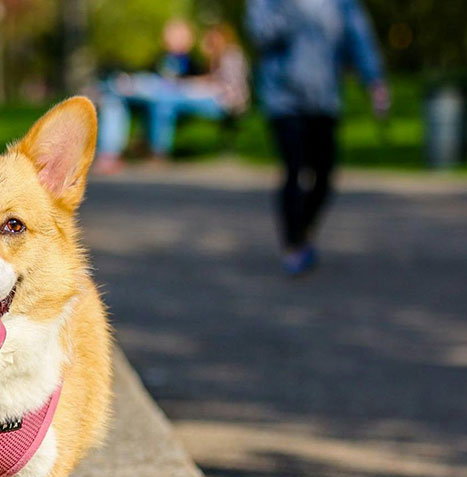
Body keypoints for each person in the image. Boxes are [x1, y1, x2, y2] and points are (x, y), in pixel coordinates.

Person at [247, 0, 390, 275]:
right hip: (283, 98)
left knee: (324, 175)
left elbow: (357, 36)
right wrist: (291, 10)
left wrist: (374, 81)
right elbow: (260, 33)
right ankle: (293, 245)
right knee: (294, 168)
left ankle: (303, 229)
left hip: (325, 98)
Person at [95, 22, 250, 173]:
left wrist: (193, 84)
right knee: (120, 98)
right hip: (179, 95)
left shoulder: (228, 55)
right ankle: (116, 152)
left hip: (225, 103)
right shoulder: (163, 57)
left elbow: (224, 86)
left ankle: (155, 151)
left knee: (163, 101)